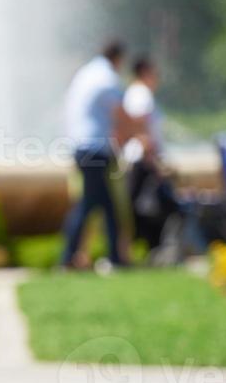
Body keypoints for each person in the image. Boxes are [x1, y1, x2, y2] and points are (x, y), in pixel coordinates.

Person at [59, 41, 131, 270]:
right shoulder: (106, 77)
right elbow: (120, 114)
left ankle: (113, 256)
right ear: (117, 58)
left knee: (102, 204)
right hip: (94, 148)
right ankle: (68, 257)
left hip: (81, 146)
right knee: (89, 204)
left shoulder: (87, 73)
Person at [122, 57, 176, 251]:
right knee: (149, 208)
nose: (157, 78)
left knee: (141, 207)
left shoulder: (135, 93)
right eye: (154, 73)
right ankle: (150, 248)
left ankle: (146, 248)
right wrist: (154, 161)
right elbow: (140, 127)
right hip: (142, 159)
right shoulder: (141, 94)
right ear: (145, 72)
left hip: (141, 159)